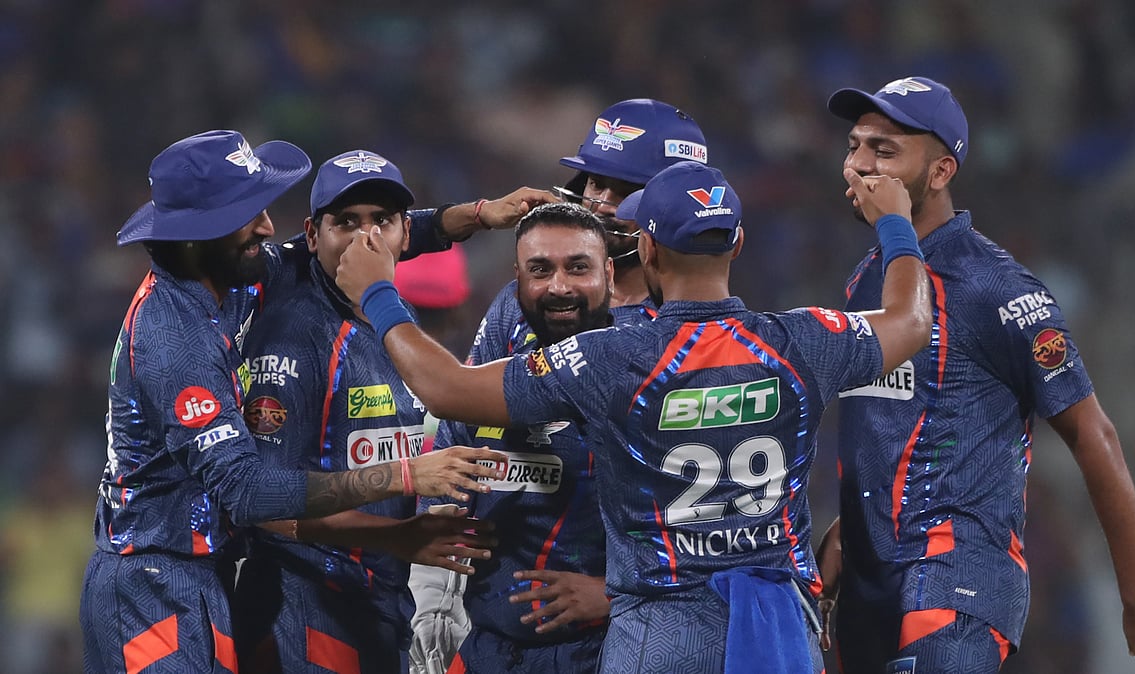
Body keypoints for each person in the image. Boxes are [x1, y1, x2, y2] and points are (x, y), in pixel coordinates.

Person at [336, 159, 933, 674]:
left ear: (645, 248)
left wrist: (379, 293)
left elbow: (445, 389)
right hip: (775, 631)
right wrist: (897, 226)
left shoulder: (610, 358)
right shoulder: (807, 340)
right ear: (737, 243)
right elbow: (911, 321)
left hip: (659, 631)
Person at [80, 130, 508, 674]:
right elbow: (247, 491)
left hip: (200, 572)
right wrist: (405, 477)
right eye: (247, 216)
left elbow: (355, 245)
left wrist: (475, 215)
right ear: (195, 235)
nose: (266, 227)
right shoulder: (174, 339)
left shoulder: (229, 274)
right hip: (149, 578)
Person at [816, 76, 1135, 674]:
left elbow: (1092, 433)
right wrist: (852, 527)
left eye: (884, 151)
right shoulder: (868, 276)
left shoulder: (997, 287)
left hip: (954, 580)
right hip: (870, 585)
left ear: (940, 171)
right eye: (855, 146)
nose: (858, 165)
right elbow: (892, 423)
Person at [231, 149, 502, 673]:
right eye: (346, 222)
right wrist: (397, 534)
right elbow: (265, 510)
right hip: (306, 603)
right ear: (312, 236)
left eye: (381, 221)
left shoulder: (395, 321)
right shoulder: (292, 339)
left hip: (379, 599)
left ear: (405, 233)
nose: (366, 239)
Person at [410, 203, 616, 674]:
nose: (559, 286)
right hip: (483, 644)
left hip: (599, 650)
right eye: (540, 270)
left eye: (577, 268)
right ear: (516, 279)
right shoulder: (498, 350)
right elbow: (447, 475)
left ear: (607, 273)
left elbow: (696, 525)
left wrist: (612, 594)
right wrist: (433, 598)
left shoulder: (642, 369)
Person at [470, 98, 709, 366]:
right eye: (596, 183)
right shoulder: (523, 297)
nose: (602, 205)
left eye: (628, 192)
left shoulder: (690, 323)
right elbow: (465, 390)